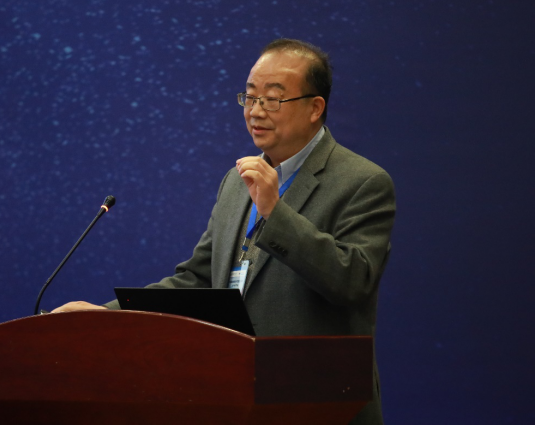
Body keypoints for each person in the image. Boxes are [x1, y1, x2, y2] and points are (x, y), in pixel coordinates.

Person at [53, 38, 396, 425]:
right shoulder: (237, 183)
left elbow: (352, 281)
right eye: (250, 97)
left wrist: (276, 213)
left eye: (273, 99)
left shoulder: (362, 182)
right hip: (237, 397)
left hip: (321, 405)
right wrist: (106, 316)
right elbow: (198, 281)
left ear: (315, 108)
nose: (256, 111)